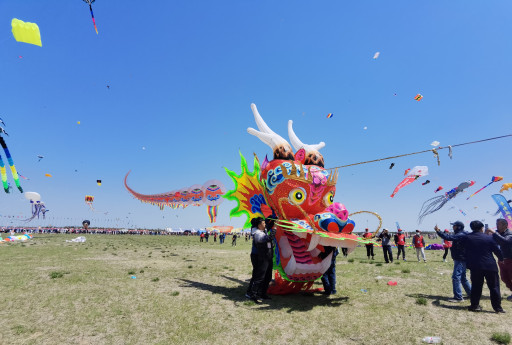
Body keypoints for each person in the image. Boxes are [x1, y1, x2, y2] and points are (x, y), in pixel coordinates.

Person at [463, 220, 504, 313]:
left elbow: (464, 250)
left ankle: (475, 305)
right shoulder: (489, 238)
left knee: (476, 286)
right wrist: (501, 259)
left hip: (475, 266)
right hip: (490, 265)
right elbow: (497, 251)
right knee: (494, 287)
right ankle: (498, 308)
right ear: (482, 228)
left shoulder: (467, 238)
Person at [435, 221, 472, 302]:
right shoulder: (462, 233)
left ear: (458, 227)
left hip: (460, 259)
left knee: (456, 277)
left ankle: (458, 297)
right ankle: (472, 294)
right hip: (461, 258)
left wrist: (438, 231)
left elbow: (448, 237)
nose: (453, 227)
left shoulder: (461, 234)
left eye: (454, 226)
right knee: (463, 278)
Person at [246, 217, 274, 303]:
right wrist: (274, 229)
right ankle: (251, 293)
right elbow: (267, 238)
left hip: (264, 255)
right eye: (263, 222)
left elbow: (268, 226)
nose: (265, 224)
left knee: (265, 275)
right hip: (257, 255)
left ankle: (260, 293)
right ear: (258, 224)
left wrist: (272, 218)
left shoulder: (262, 229)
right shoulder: (256, 232)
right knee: (258, 275)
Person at [487, 218, 512, 301]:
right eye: (496, 224)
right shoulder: (498, 234)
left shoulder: (509, 233)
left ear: (505, 225)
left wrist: (494, 233)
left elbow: (505, 241)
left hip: (510, 259)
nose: (497, 226)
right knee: (504, 278)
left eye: (499, 224)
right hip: (502, 259)